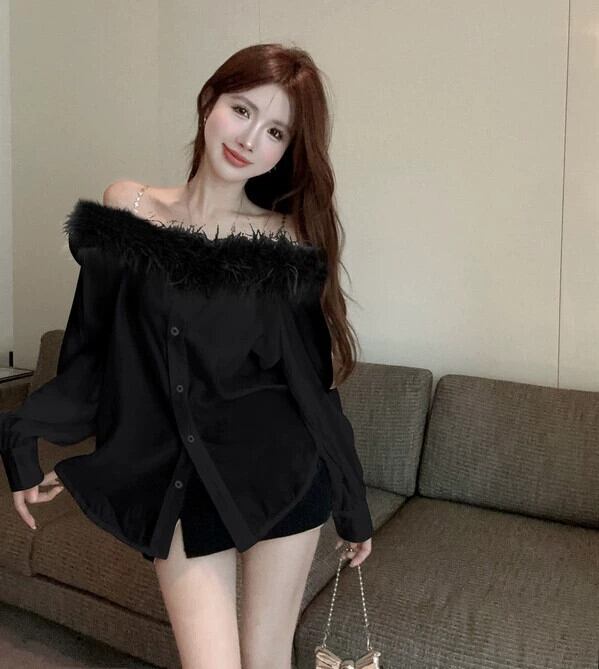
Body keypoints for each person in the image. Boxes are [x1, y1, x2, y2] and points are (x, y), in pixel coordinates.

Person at [0, 43, 372, 668]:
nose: (250, 139)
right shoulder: (129, 205)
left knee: (267, 659)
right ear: (209, 102)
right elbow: (93, 350)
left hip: (281, 469)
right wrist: (28, 434)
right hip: (178, 478)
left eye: (276, 131)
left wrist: (352, 504)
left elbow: (309, 386)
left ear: (286, 150)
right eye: (242, 110)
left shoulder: (284, 239)